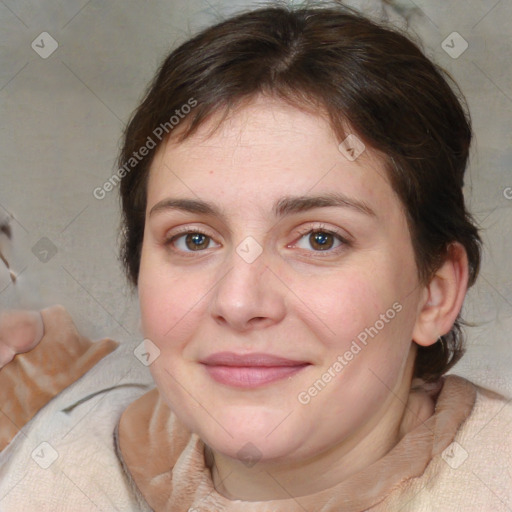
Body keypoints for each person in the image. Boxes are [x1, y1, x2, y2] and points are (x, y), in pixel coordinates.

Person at [1, 3, 511, 510]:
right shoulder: (57, 470)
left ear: (434, 295)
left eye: (319, 239)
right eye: (194, 239)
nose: (240, 302)